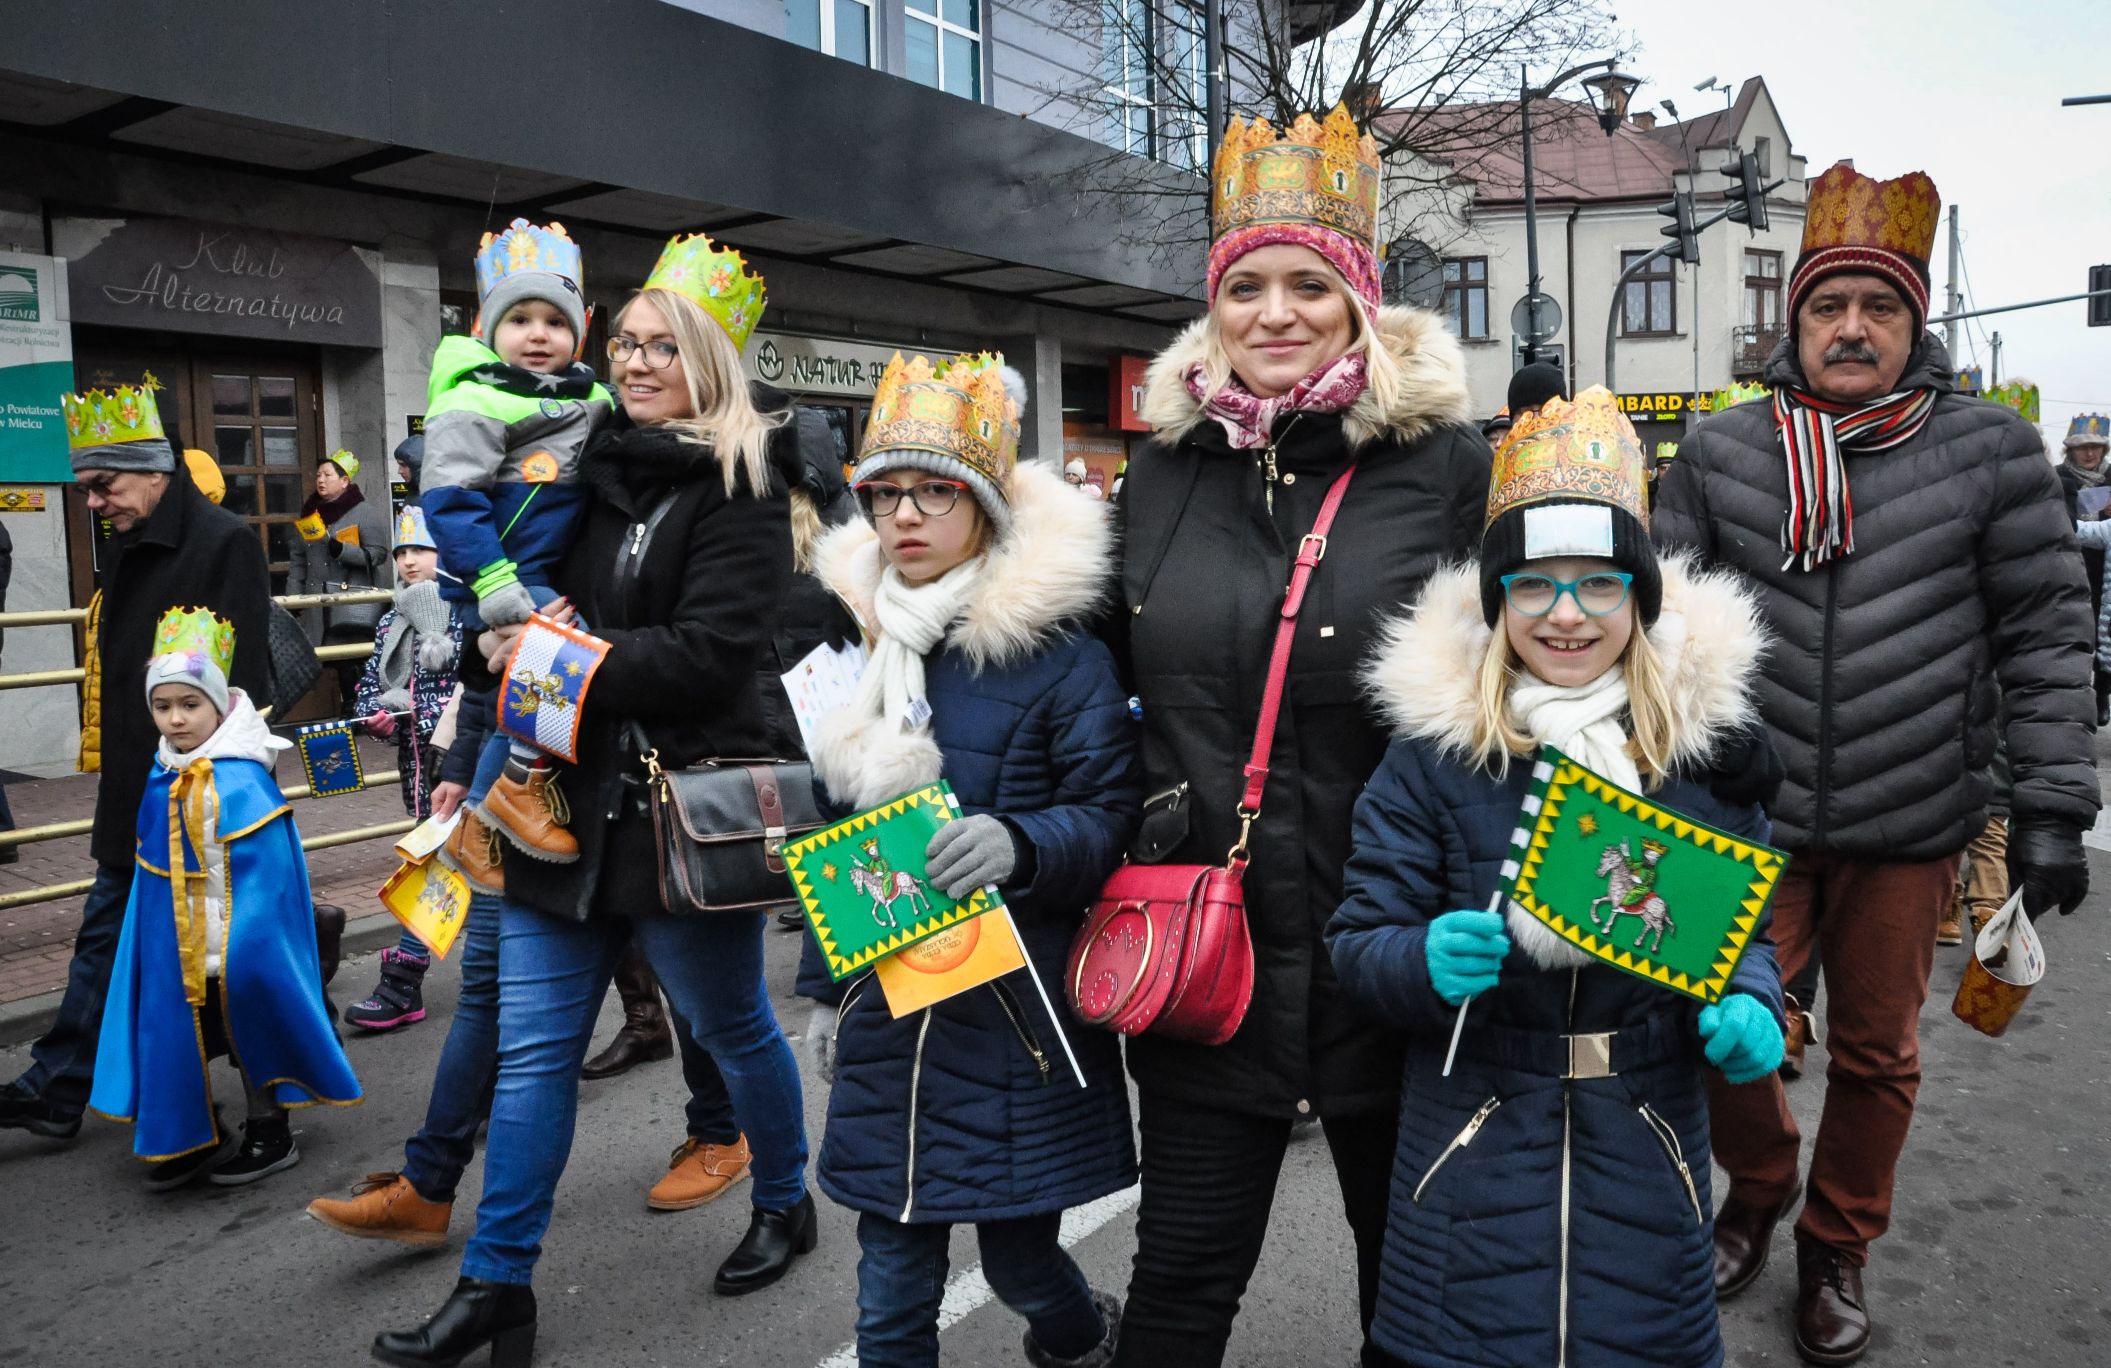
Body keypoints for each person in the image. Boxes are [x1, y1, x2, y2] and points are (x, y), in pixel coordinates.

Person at [1655, 162, 2098, 1365]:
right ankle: (1753, 1188)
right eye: (1825, 308)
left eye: (1879, 308)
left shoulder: (1992, 454)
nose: (1850, 329)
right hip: (1742, 817)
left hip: (1910, 817)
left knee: (1876, 1053)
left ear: (1915, 326)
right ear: (1790, 325)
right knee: (1710, 1017)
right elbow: (1659, 624)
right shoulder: (1717, 452)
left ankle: (1834, 1244)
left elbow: (2046, 634)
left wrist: (2053, 801)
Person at [371, 232, 813, 1368]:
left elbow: (710, 655)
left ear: (710, 358)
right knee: (530, 1054)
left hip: (673, 816)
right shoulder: (581, 466)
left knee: (731, 1025)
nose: (635, 359)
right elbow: (514, 600)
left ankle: (785, 1197)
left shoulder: (745, 482)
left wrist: (553, 656)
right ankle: (496, 1284)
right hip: (555, 808)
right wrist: (495, 645)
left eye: (663, 345)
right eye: (625, 340)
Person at [1109, 105, 1491, 1368]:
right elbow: (1096, 675)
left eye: (1310, 287)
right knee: (1174, 1294)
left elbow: (1543, 666)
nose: (1276, 314)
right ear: (1211, 309)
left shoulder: (1443, 468)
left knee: (1416, 1300)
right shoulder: (1159, 471)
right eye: (1247, 288)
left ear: (1360, 304)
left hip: (1391, 950)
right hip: (1205, 954)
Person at [1328, 386, 1784, 1368]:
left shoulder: (1694, 757)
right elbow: (1359, 942)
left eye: (1597, 584)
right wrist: (1416, 960)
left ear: (1637, 597)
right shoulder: (1432, 759)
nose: (1565, 613)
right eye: (1532, 585)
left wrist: (1750, 1005)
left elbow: (1741, 934)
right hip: (1470, 1144)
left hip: (1647, 1134)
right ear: (1496, 601)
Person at [809, 352, 1139, 1368]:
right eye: (884, 494)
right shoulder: (852, 652)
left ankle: (1078, 1336)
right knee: (890, 1282)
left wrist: (1022, 843)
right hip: (887, 1013)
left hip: (1013, 1017)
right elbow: (826, 845)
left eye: (934, 492)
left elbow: (1108, 810)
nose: (903, 515)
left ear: (985, 509)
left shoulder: (1062, 654)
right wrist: (825, 987)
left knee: (1017, 1259)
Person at [1, 380, 271, 1144]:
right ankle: (70, 1085)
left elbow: (239, 679)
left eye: (101, 485)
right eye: (86, 488)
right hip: (137, 780)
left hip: (193, 790)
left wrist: (201, 785)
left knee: (198, 955)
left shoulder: (223, 543)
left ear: (152, 470)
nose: (93, 503)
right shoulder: (127, 543)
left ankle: (235, 1103)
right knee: (112, 933)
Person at [88, 607, 361, 1188]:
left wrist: (247, 947)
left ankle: (270, 1127)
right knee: (184, 1031)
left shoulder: (243, 777)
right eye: (162, 707)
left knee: (251, 1030)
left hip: (242, 942)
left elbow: (271, 879)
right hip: (182, 945)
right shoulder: (164, 770)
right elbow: (153, 872)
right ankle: (192, 1129)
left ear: (218, 705)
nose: (175, 719)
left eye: (189, 705)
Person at [421, 218, 614, 869]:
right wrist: (495, 584)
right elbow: (449, 501)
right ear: (487, 331)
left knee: (548, 667)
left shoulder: (585, 395)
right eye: (520, 320)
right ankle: (516, 787)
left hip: (535, 565)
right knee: (569, 655)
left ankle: (482, 823)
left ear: (578, 333)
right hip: (502, 572)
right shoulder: (474, 396)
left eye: (555, 323)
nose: (538, 334)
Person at [341, 506, 467, 1032]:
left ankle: (402, 982)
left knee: (440, 867)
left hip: (466, 764)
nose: (410, 561)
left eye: (421, 549)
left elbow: (479, 688)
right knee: (446, 866)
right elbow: (369, 684)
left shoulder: (468, 608)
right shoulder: (393, 618)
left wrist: (432, 716)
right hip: (419, 770)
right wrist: (377, 713)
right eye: (402, 552)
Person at [287, 446, 388, 700]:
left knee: (352, 657)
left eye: (327, 475)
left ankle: (359, 709)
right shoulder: (309, 514)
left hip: (349, 600)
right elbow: (298, 560)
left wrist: (341, 550)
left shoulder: (364, 511)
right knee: (327, 659)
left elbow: (378, 555)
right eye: (318, 475)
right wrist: (292, 599)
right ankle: (340, 708)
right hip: (316, 601)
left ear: (345, 481)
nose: (320, 480)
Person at [2058, 412, 2111, 725]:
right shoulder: (2056, 475)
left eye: (2096, 447)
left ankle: (2102, 696)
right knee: (2074, 636)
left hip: (2104, 570)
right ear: (2070, 449)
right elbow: (2056, 512)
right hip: (2067, 564)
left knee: (2105, 637)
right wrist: (2094, 504)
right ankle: (2074, 698)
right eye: (2082, 447)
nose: (2090, 453)